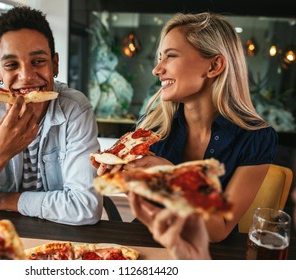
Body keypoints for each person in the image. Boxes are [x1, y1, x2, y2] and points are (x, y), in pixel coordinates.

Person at [93, 12, 278, 242]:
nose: (157, 69)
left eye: (170, 56)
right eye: (160, 57)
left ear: (215, 65)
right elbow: (141, 205)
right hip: (149, 244)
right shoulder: (149, 128)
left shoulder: (256, 138)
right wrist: (122, 178)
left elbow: (217, 230)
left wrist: (172, 177)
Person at [0, 6, 102, 225]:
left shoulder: (75, 109)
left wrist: (4, 200)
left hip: (59, 238)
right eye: (11, 65)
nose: (27, 77)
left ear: (55, 64)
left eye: (38, 61)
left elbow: (86, 208)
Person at [129, 187, 296, 260]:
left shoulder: (256, 137)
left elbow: (218, 233)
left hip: (219, 248)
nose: (293, 196)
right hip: (146, 238)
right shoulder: (153, 124)